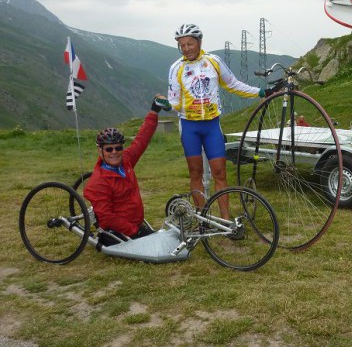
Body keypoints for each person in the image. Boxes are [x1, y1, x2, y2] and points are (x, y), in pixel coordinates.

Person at [168, 24, 275, 213]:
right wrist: (169, 104)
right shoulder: (176, 67)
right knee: (195, 173)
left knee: (220, 173)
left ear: (199, 42)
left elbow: (233, 84)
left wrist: (260, 92)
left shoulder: (213, 62)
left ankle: (226, 219)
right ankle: (202, 219)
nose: (186, 49)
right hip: (189, 126)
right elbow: (174, 100)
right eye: (182, 45)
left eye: (190, 44)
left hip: (211, 126)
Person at [84, 95, 170, 246]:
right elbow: (106, 218)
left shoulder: (126, 161)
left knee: (167, 241)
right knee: (159, 247)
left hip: (135, 226)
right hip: (116, 233)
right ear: (100, 151)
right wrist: (134, 230)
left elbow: (141, 140)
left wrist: (154, 112)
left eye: (118, 148)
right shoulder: (98, 182)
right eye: (109, 149)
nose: (114, 152)